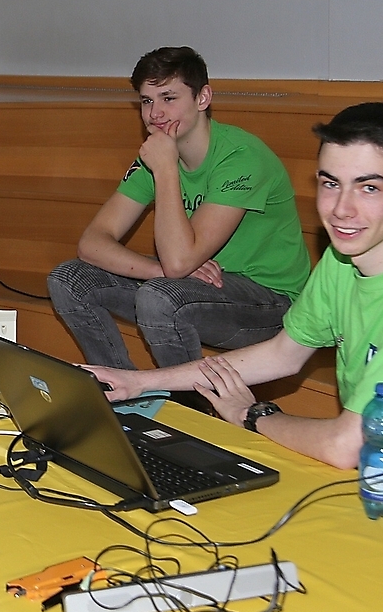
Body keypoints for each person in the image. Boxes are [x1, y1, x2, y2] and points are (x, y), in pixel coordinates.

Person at [87, 101, 383, 518]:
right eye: (331, 183)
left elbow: (344, 445)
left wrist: (252, 415)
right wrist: (138, 382)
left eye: (369, 188)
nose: (342, 209)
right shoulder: (345, 258)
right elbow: (283, 354)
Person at [47, 46, 310, 412]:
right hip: (197, 288)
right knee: (69, 279)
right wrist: (157, 269)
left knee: (161, 298)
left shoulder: (240, 158)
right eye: (147, 101)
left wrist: (166, 169)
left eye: (169, 98)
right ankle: (121, 400)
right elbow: (92, 243)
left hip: (271, 303)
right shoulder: (155, 157)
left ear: (203, 98)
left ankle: (197, 419)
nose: (155, 114)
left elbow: (179, 261)